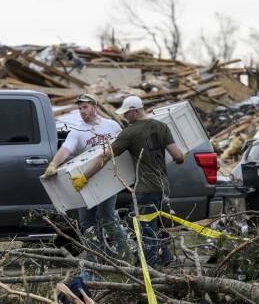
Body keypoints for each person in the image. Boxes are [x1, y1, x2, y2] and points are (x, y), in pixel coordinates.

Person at [71, 95, 185, 267]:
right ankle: (167, 258)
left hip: (144, 188)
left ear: (135, 111)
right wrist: (182, 156)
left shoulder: (129, 132)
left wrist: (85, 176)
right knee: (156, 224)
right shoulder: (162, 127)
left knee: (144, 228)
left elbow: (105, 156)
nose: (124, 117)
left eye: (126, 113)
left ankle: (151, 266)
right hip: (163, 187)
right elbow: (178, 156)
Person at [43, 93, 129, 258]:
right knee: (88, 222)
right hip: (85, 181)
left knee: (107, 217)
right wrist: (54, 163)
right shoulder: (78, 131)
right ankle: (94, 258)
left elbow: (124, 146)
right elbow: (66, 149)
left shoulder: (112, 126)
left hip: (109, 179)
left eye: (85, 107)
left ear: (94, 107)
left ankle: (126, 253)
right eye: (80, 108)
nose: (82, 111)